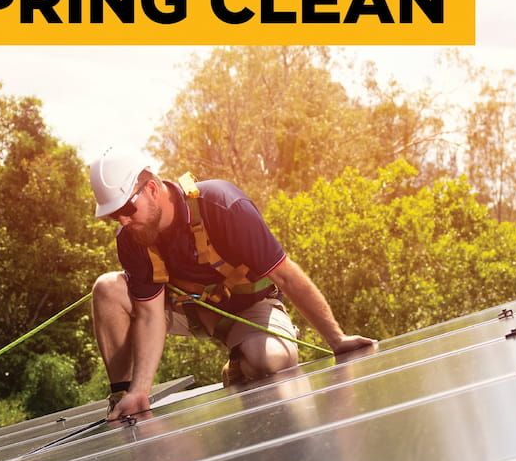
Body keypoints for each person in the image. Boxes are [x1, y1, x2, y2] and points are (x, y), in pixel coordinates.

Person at [89, 148, 375, 421]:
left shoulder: (223, 205)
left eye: (128, 208)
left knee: (271, 361)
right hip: (187, 310)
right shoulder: (132, 237)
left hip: (250, 307)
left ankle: (242, 360)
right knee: (107, 289)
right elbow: (150, 314)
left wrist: (337, 339)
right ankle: (122, 397)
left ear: (152, 189)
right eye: (114, 215)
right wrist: (140, 391)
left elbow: (286, 276)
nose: (123, 220)